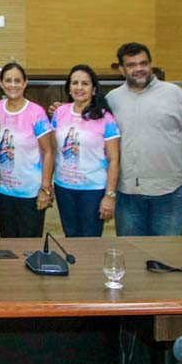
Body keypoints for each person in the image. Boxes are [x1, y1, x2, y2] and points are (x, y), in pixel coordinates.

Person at [106, 42, 182, 235]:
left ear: (151, 64)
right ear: (122, 69)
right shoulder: (112, 99)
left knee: (167, 255)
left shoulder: (175, 95)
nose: (139, 69)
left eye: (143, 63)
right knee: (131, 253)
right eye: (132, 65)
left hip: (168, 192)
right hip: (127, 194)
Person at [51, 64, 120, 237]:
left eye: (85, 83)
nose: (79, 88)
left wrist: (109, 195)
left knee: (90, 240)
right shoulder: (59, 112)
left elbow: (114, 160)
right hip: (63, 188)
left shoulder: (106, 118)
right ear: (69, 88)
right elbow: (52, 151)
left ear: (94, 89)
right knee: (70, 235)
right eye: (75, 83)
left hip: (93, 190)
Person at [0, 63, 55, 238]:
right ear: (1, 83)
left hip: (30, 191)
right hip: (2, 190)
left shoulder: (36, 113)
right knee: (8, 242)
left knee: (29, 244)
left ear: (25, 83)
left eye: (18, 80)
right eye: (8, 80)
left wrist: (46, 188)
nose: (13, 85)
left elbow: (48, 152)